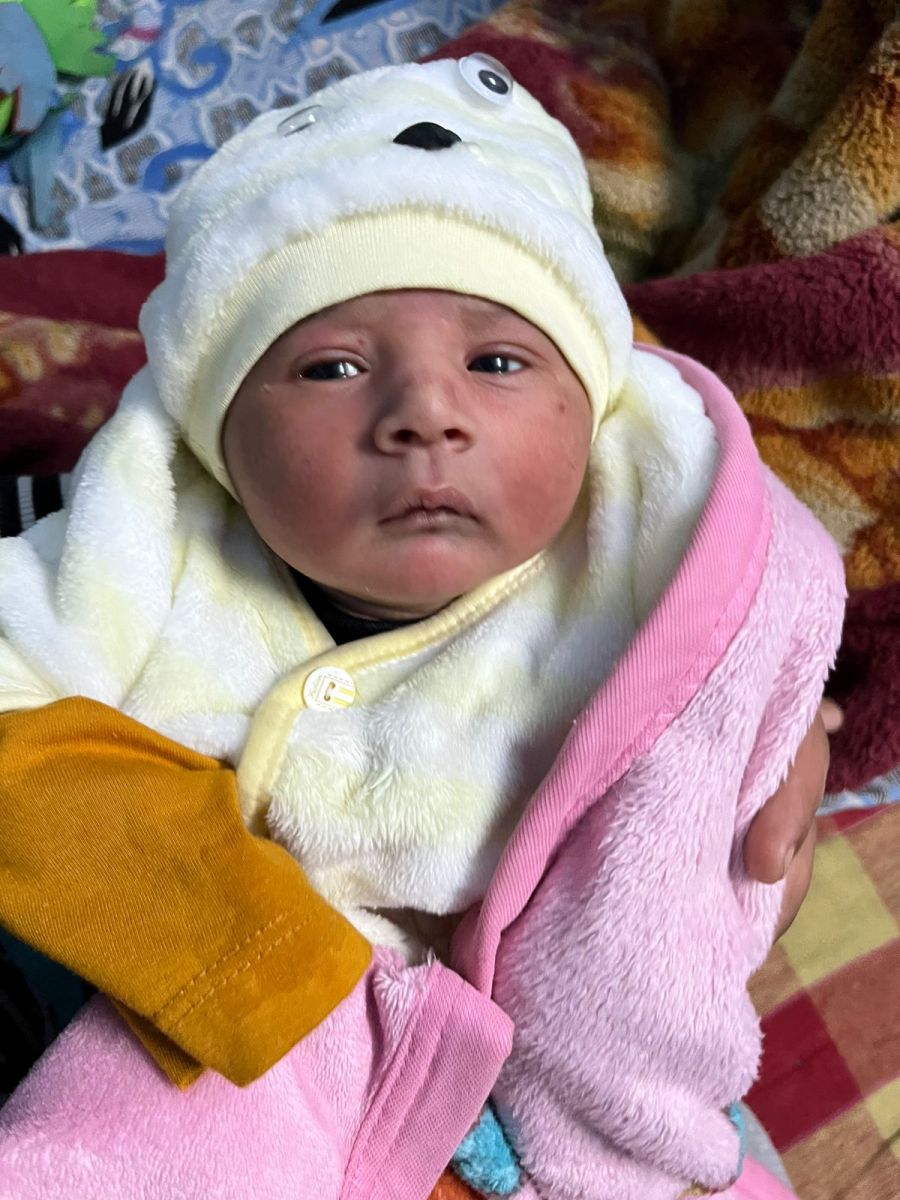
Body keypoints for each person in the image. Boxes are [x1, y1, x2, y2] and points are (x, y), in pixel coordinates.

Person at [0, 56, 845, 1200]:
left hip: (565, 1085)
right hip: (258, 1019)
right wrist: (243, 946)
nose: (424, 413)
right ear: (217, 441)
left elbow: (749, 665)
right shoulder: (143, 549)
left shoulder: (650, 549)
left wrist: (764, 712)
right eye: (332, 366)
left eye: (497, 361)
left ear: (593, 407)